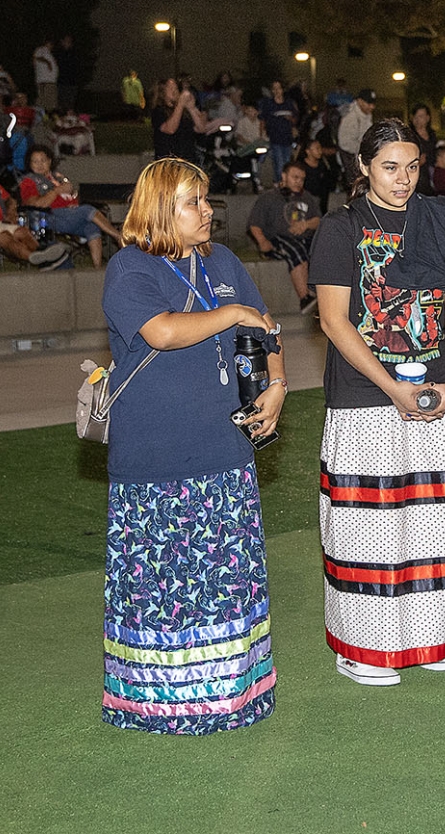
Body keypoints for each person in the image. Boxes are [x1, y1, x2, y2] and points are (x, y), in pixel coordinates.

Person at [97, 156, 281, 733]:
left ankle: (235, 697)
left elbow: (264, 327)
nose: (207, 211)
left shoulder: (222, 260)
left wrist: (276, 385)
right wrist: (231, 312)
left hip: (225, 448)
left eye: (206, 200)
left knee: (227, 580)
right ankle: (159, 706)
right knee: (165, 587)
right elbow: (162, 331)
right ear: (159, 209)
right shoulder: (131, 268)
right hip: (156, 458)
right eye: (192, 202)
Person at [310, 119, 445, 686]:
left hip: (438, 392)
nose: (404, 179)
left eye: (412, 167)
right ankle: (363, 648)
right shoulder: (341, 228)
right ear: (363, 168)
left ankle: (426, 640)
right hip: (366, 397)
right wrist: (391, 386)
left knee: (435, 520)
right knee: (368, 524)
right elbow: (334, 321)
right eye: (389, 167)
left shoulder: (438, 219)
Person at [19, 146, 120, 267]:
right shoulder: (29, 181)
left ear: (50, 161)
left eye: (43, 160)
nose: (40, 164)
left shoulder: (57, 177)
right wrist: (56, 191)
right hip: (49, 217)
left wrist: (72, 201)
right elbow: (36, 204)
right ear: (29, 164)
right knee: (87, 209)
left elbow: (71, 196)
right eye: (35, 161)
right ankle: (118, 236)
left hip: (69, 214)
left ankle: (97, 268)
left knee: (91, 226)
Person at [245, 161, 322, 311]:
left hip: (304, 239)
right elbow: (254, 224)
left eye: (302, 179)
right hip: (277, 238)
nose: (299, 182)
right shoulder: (269, 197)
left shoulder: (307, 197)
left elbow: (318, 220)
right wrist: (262, 242)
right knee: (296, 251)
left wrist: (305, 224)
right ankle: (305, 298)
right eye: (295, 177)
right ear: (284, 176)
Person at [151, 77, 207, 162]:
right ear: (162, 92)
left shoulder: (183, 111)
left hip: (188, 161)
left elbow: (201, 128)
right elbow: (170, 129)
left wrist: (191, 108)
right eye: (170, 88)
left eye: (176, 88)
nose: (175, 91)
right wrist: (180, 104)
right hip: (169, 163)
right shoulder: (158, 111)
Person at [258, 81, 301, 177]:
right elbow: (262, 120)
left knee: (286, 163)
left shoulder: (289, 103)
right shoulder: (268, 104)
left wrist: (290, 119)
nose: (277, 91)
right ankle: (280, 184)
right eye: (275, 88)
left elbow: (295, 119)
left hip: (287, 138)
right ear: (272, 90)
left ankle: (284, 184)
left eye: (279, 88)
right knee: (279, 163)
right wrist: (261, 135)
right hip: (275, 138)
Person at [335, 88, 376, 186]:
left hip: (361, 159)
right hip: (352, 161)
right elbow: (345, 144)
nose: (372, 106)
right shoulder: (351, 117)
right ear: (360, 101)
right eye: (368, 103)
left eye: (373, 104)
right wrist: (365, 150)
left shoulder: (366, 115)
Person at [33, 39, 59, 111]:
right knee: (46, 100)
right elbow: (36, 57)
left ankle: (46, 116)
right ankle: (42, 116)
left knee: (49, 101)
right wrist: (48, 62)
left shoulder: (48, 52)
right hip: (46, 80)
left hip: (49, 80)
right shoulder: (41, 50)